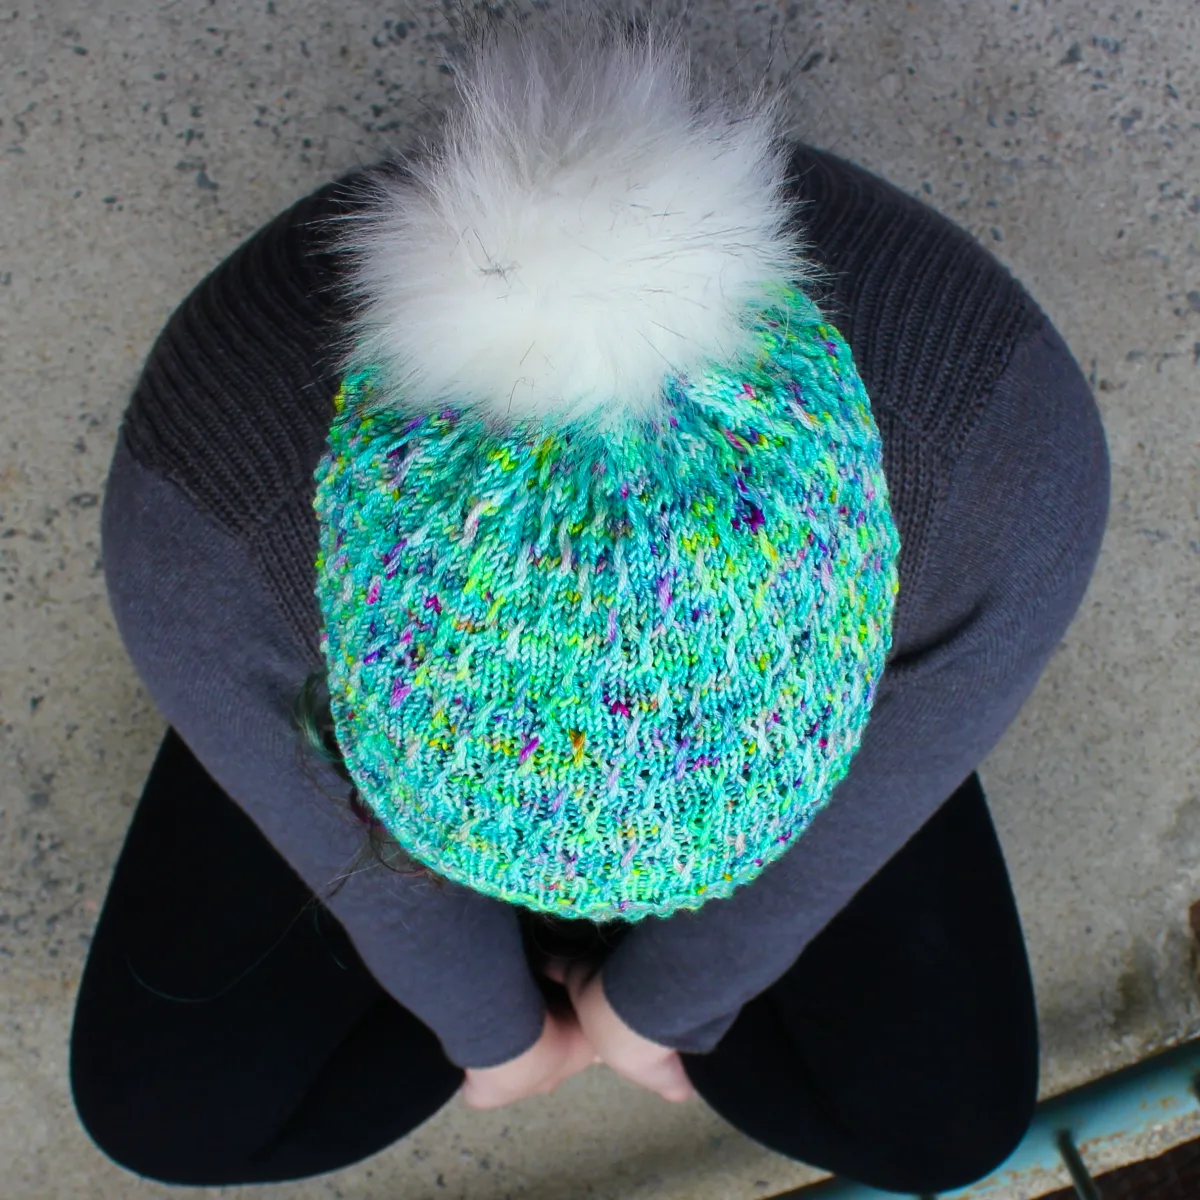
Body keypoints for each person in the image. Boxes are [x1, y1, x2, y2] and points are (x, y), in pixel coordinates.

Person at [70, 13, 1110, 1196]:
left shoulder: (1002, 461)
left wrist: (640, 1004)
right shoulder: (198, 522)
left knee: (945, 1129)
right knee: (167, 1115)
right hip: (332, 657)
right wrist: (505, 1032)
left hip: (776, 687)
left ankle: (684, 787)